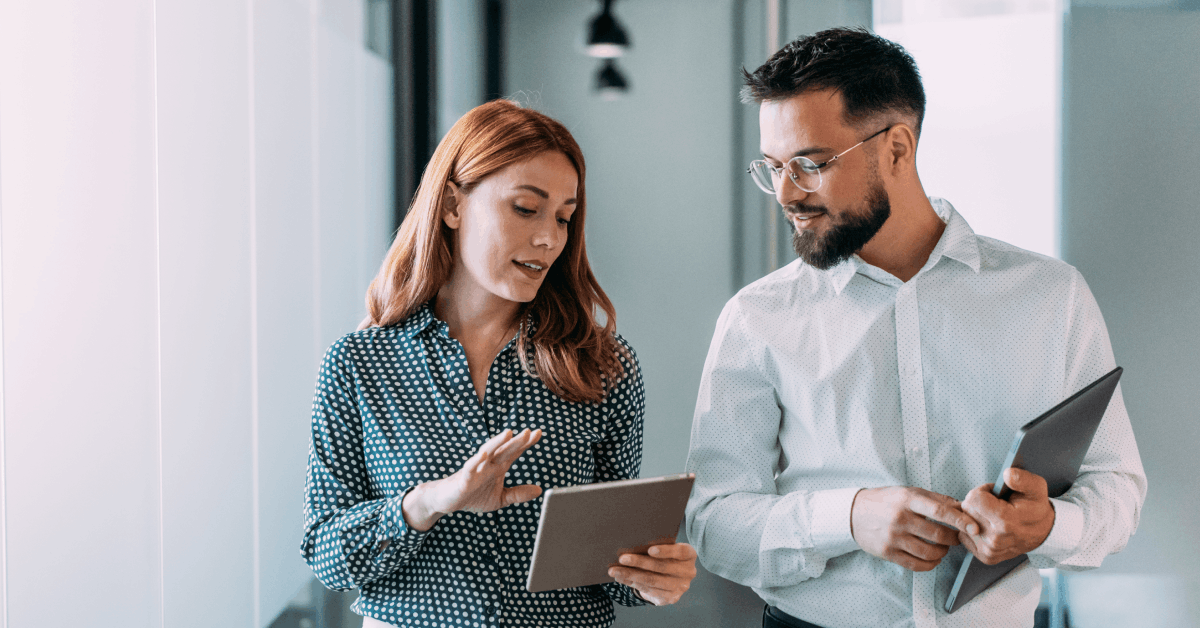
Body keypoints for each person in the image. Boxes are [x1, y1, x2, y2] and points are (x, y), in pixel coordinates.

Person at [684, 27, 1146, 628]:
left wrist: (1052, 525)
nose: (786, 193)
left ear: (897, 149)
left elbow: (1115, 488)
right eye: (772, 167)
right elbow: (714, 523)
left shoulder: (1050, 297)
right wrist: (848, 518)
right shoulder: (758, 317)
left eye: (809, 163)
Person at [302, 99, 698, 628]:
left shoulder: (604, 367)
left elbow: (612, 570)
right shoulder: (360, 364)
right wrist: (430, 502)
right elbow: (327, 555)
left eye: (564, 217)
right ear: (451, 205)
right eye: (525, 208)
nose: (549, 238)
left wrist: (652, 578)